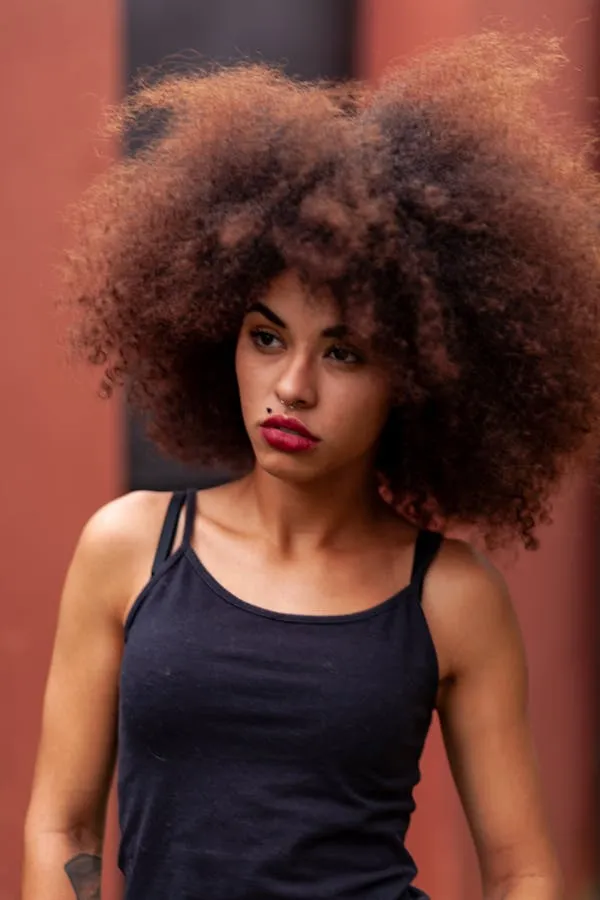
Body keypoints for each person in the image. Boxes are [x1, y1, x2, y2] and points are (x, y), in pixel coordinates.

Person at [22, 32, 600, 900]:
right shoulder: (131, 547)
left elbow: (524, 873)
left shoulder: (450, 596)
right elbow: (61, 826)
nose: (290, 387)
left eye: (345, 354)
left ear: (418, 375)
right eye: (266, 338)